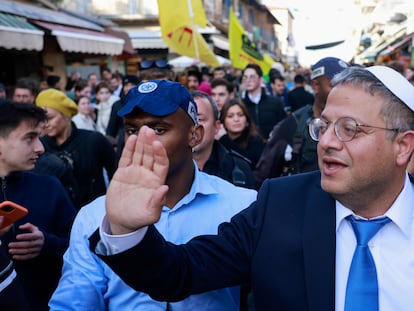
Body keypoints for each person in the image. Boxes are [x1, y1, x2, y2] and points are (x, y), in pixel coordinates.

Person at [89, 65, 414, 310]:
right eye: (324, 125)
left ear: (402, 146)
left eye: (349, 129)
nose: (326, 142)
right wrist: (126, 229)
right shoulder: (280, 205)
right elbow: (180, 273)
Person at [49, 80, 257, 310]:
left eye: (159, 129)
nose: (143, 140)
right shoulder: (97, 215)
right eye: (132, 130)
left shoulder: (241, 205)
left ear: (194, 135)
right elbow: (74, 301)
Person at [0, 102, 76, 310]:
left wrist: (47, 244)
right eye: (29, 138)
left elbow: (80, 247)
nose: (40, 148)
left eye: (39, 138)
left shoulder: (49, 187)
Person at [254, 57, 349, 186]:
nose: (344, 92)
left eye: (347, 85)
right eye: (335, 85)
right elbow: (263, 174)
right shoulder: (293, 123)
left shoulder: (357, 124)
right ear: (316, 86)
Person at [35, 89, 116, 209]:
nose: (45, 124)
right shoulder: (40, 146)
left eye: (50, 118)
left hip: (94, 216)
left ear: (66, 115)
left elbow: (115, 172)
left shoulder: (93, 140)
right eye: (41, 120)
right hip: (58, 218)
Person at [191, 91, 255, 189]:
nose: (193, 127)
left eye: (199, 119)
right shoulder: (165, 168)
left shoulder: (238, 169)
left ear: (216, 127)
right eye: (187, 120)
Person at [241, 63, 286, 139]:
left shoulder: (275, 103)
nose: (248, 80)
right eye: (245, 77)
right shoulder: (241, 105)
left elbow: (284, 127)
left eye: (252, 77)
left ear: (261, 79)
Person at [219, 99, 265, 169]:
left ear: (246, 119)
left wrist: (225, 139)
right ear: (223, 121)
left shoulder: (256, 140)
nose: (236, 119)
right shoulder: (219, 143)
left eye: (240, 115)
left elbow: (250, 162)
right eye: (230, 116)